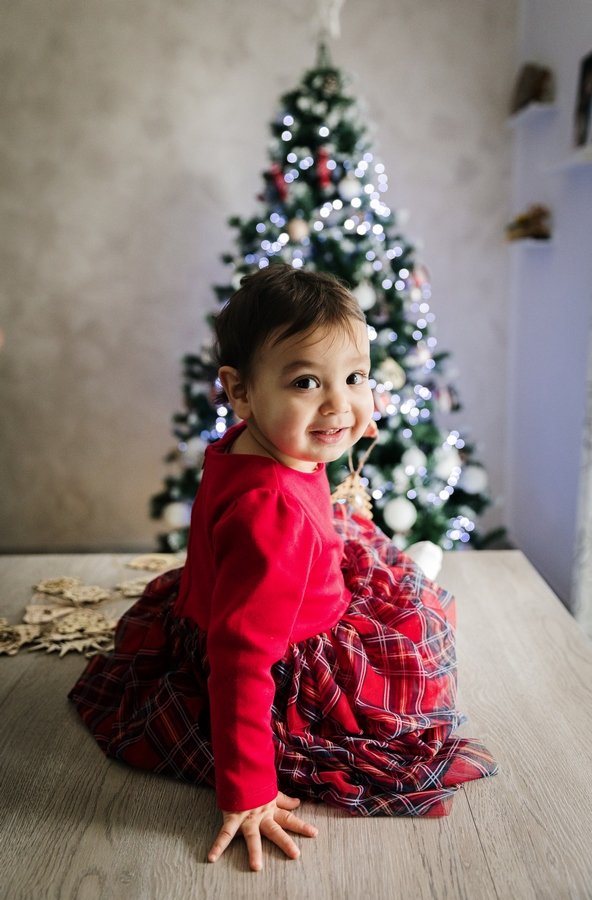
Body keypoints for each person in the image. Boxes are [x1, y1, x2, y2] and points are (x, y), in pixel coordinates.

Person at [69, 264, 496, 872]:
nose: (339, 404)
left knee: (355, 542)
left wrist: (340, 414)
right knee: (408, 649)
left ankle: (404, 565)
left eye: (354, 378)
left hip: (235, 601)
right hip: (278, 656)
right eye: (305, 382)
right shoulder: (274, 516)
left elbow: (325, 420)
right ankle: (416, 573)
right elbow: (242, 658)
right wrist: (247, 790)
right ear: (240, 391)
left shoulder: (250, 443)